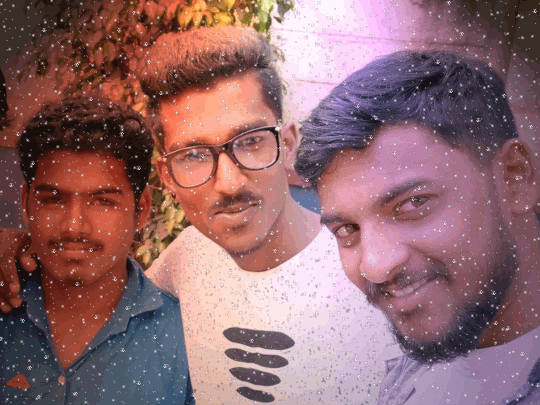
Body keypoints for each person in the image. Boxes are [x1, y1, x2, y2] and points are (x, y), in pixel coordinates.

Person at [1, 27, 395, 404]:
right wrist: (16, 244)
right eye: (192, 155)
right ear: (167, 176)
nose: (229, 182)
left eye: (251, 141)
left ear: (288, 143)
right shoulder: (187, 259)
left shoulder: (376, 278)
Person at [295, 50, 540, 405]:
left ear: (514, 177)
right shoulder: (406, 372)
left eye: (413, 204)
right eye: (347, 230)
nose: (375, 266)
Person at [0, 97, 195, 404]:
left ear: (142, 209)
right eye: (53, 199)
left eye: (103, 201)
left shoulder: (187, 340)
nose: (74, 227)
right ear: (25, 203)